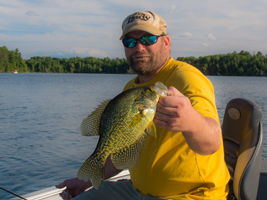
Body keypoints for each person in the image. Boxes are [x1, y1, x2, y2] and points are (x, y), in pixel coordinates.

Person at [56, 11, 230, 200]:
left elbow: (212, 142)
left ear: (166, 42)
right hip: (137, 191)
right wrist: (85, 181)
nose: (139, 47)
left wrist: (192, 122)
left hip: (190, 195)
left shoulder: (187, 78)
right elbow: (122, 147)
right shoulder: (131, 89)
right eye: (130, 42)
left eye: (148, 39)